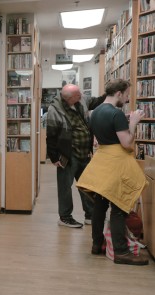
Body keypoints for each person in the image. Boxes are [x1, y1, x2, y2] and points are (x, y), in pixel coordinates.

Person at [77, 79, 148, 265]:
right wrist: (133, 123)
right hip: (116, 163)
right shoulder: (115, 114)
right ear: (118, 93)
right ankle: (121, 252)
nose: (126, 99)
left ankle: (97, 244)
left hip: (102, 161)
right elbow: (126, 143)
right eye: (125, 95)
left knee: (100, 205)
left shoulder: (96, 112)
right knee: (119, 207)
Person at [46, 84, 105, 228]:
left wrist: (108, 94)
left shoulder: (81, 100)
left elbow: (95, 101)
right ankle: (65, 217)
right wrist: (53, 157)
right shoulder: (55, 110)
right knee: (65, 187)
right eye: (78, 94)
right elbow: (51, 135)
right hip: (67, 154)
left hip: (84, 152)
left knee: (87, 185)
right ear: (70, 98)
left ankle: (90, 215)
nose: (82, 95)